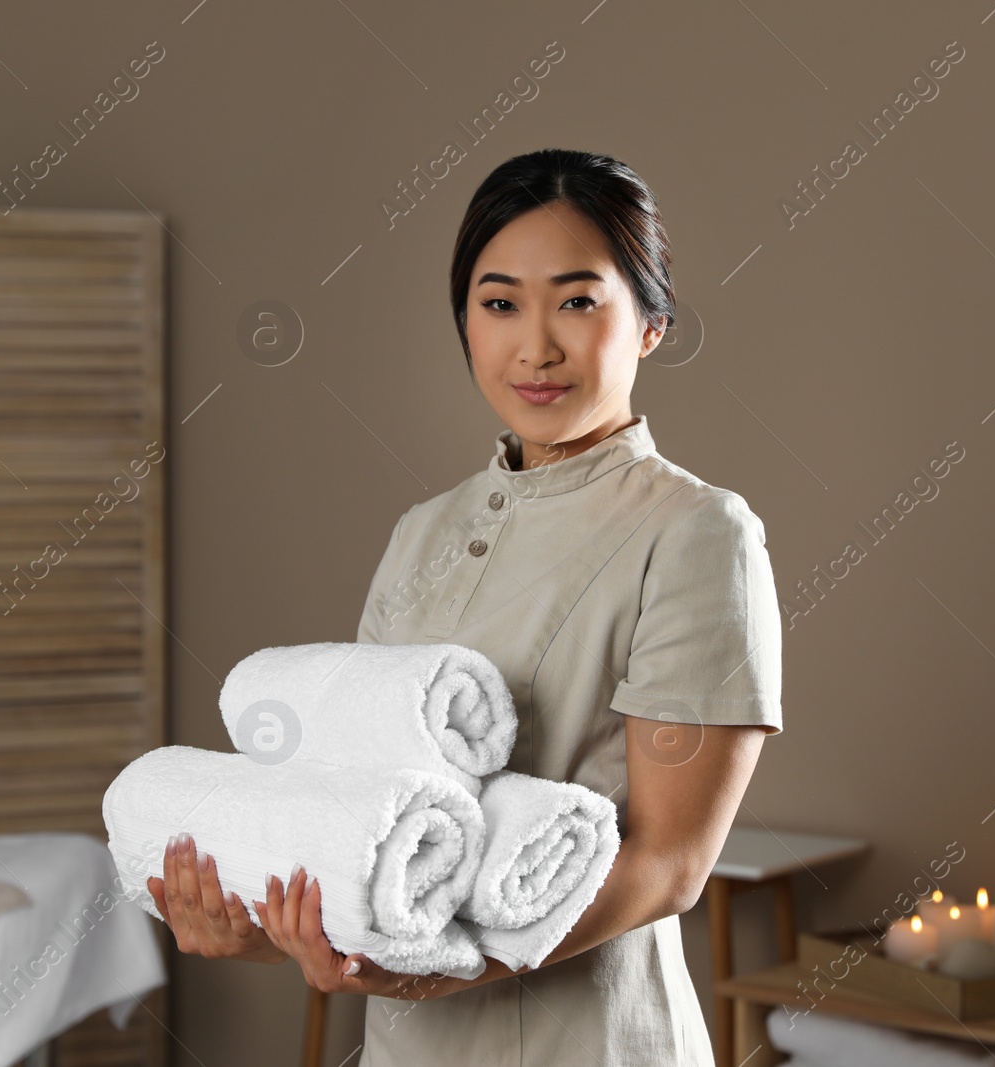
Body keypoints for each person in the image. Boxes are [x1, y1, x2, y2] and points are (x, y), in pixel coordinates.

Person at [146, 148, 785, 1065]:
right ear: (465, 324)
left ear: (650, 321)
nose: (536, 346)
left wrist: (432, 969)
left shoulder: (694, 532)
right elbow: (360, 816)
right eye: (499, 304)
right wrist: (261, 925)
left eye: (578, 300)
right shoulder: (422, 532)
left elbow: (670, 864)